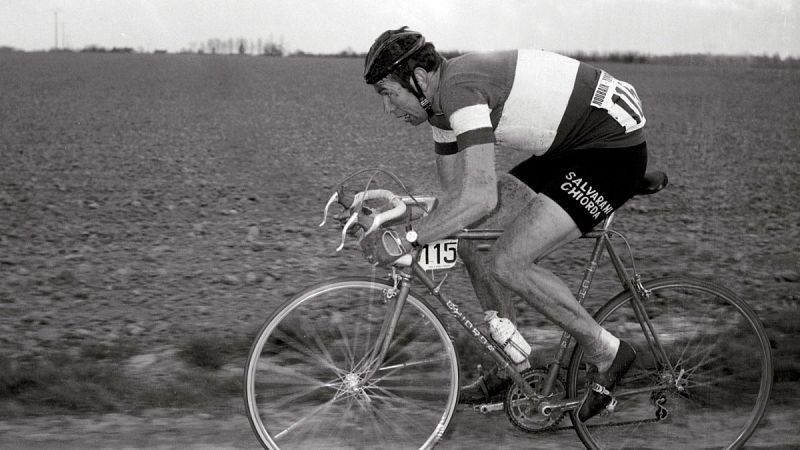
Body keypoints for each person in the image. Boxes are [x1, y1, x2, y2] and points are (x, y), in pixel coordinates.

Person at [359, 26, 646, 422]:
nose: (389, 109)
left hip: (610, 153)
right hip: (570, 147)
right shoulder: (439, 108)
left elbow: (479, 197)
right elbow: (454, 203)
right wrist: (395, 211)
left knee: (509, 262)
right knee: (469, 236)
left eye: (389, 94)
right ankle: (516, 366)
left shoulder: (459, 91)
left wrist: (410, 239)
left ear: (419, 79)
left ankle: (608, 353)